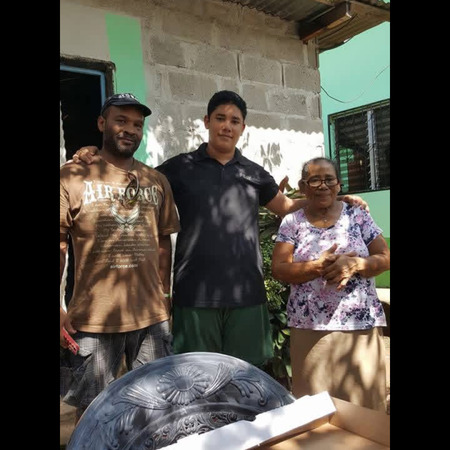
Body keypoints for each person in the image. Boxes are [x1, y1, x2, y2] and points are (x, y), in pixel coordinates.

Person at [72, 90, 368, 369]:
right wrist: (95, 155)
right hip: (194, 295)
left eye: (234, 121)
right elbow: (134, 176)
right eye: (220, 118)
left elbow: (287, 207)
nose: (227, 126)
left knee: (245, 378)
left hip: (246, 295)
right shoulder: (180, 167)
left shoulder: (253, 173)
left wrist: (334, 198)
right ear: (207, 121)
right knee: (196, 378)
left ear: (243, 128)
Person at [60, 93, 181, 421]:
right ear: (102, 123)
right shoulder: (73, 176)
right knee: (95, 414)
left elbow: (163, 241)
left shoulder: (156, 181)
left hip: (151, 319)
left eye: (137, 125)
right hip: (93, 320)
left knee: (156, 408)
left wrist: (165, 295)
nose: (130, 129)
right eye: (121, 121)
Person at [271, 156, 389, 412]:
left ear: (338, 185)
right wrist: (317, 266)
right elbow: (278, 268)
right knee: (315, 409)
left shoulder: (357, 216)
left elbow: (385, 257)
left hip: (360, 326)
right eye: (314, 180)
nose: (322, 185)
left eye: (329, 179)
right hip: (310, 328)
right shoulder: (292, 222)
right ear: (303, 187)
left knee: (365, 408)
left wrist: (356, 264)